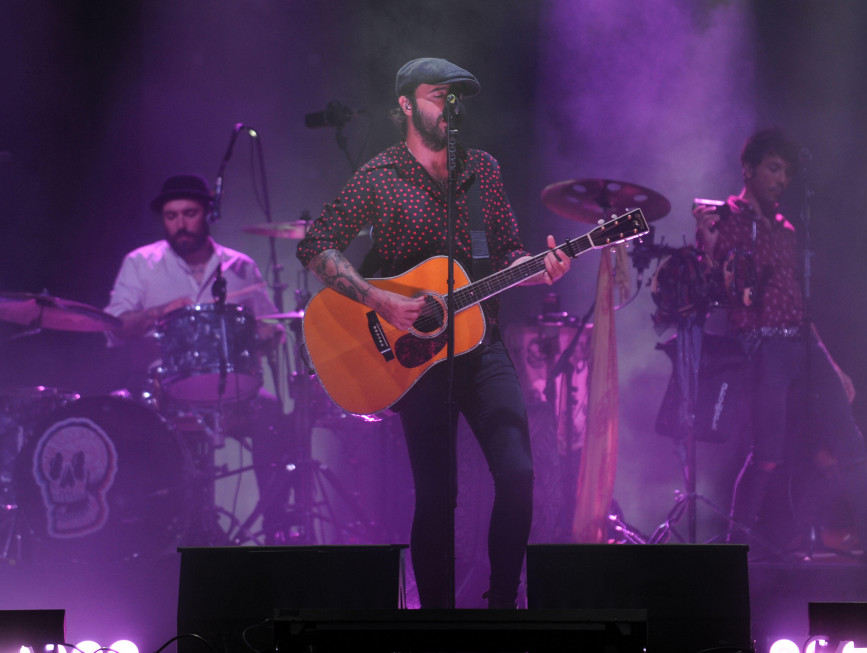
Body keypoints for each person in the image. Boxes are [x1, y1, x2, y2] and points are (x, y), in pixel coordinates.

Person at [296, 57, 571, 608]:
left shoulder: (481, 171)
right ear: (405, 105)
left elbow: (506, 250)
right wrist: (378, 298)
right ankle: (437, 623)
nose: (449, 104)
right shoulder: (380, 175)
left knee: (518, 474)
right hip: (411, 356)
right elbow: (316, 243)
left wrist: (537, 265)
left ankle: (502, 608)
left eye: (455, 95)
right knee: (438, 495)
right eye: (436, 94)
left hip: (480, 343)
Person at [693, 128, 867, 562]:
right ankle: (734, 548)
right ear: (749, 169)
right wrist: (706, 245)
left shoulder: (786, 227)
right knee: (767, 453)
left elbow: (798, 303)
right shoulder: (723, 218)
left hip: (803, 342)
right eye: (773, 168)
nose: (782, 179)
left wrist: (831, 363)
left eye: (787, 172)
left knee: (851, 441)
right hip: (761, 346)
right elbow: (711, 289)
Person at [104, 174, 290, 543]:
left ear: (207, 213)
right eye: (171, 216)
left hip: (233, 391)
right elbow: (114, 328)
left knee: (275, 419)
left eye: (189, 213)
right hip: (164, 394)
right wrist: (161, 311)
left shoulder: (239, 266)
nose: (180, 224)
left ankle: (277, 531)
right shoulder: (141, 263)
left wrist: (269, 334)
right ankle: (162, 538)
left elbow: (269, 326)